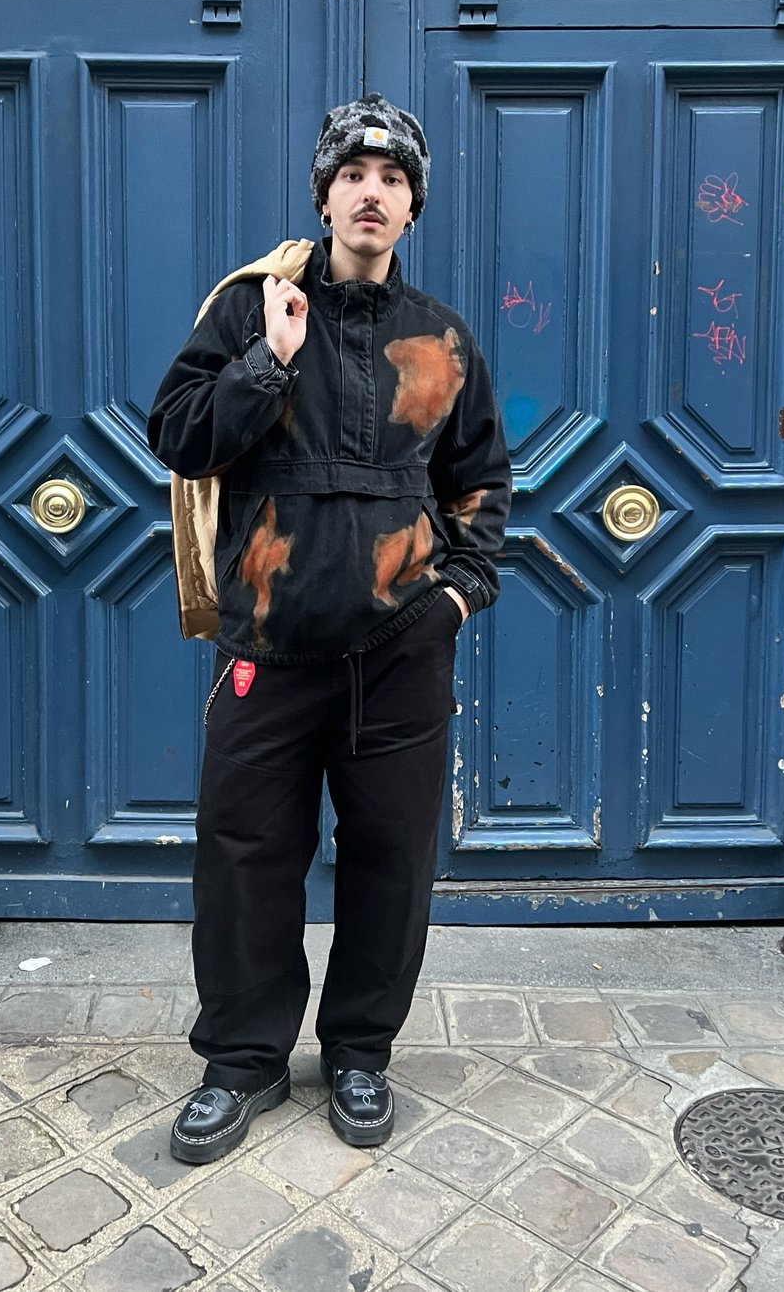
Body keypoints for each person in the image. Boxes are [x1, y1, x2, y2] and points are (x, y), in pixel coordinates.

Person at [147, 93, 511, 1164]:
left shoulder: (441, 337)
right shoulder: (251, 308)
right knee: (245, 858)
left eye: (393, 179)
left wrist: (455, 597)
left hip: (400, 651)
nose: (372, 192)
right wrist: (268, 358)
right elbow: (179, 435)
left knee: (392, 859)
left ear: (412, 208)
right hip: (268, 645)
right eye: (354, 174)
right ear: (323, 195)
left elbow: (481, 483)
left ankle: (359, 1051)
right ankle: (242, 1061)